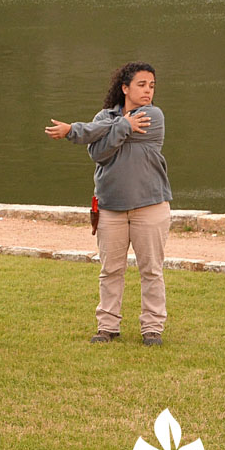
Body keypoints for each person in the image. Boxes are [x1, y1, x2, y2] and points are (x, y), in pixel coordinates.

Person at [45, 62, 172, 346]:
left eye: (152, 85)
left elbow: (99, 138)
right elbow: (99, 153)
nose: (148, 91)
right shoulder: (105, 116)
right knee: (110, 270)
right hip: (110, 207)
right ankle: (107, 327)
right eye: (141, 85)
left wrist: (92, 131)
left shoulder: (154, 116)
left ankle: (152, 328)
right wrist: (123, 126)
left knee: (151, 269)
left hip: (150, 205)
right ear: (125, 88)